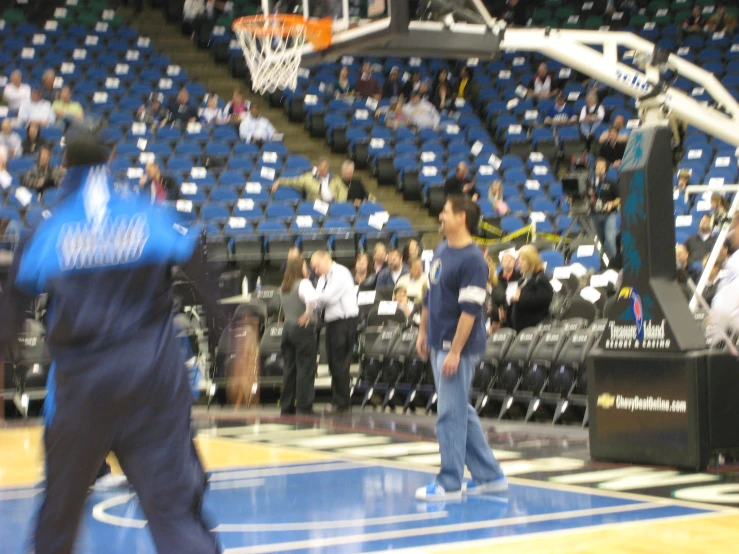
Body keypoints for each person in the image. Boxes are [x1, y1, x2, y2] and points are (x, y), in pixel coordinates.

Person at [0, 130, 224, 554]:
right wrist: (229, 328)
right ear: (112, 159)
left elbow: (10, 316)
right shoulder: (149, 214)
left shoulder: (46, 232)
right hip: (154, 383)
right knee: (175, 515)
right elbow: (199, 256)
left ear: (65, 167)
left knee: (59, 516)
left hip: (82, 393)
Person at [415, 196, 507, 501]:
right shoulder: (441, 250)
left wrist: (454, 351)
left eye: (445, 211)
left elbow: (470, 312)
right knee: (459, 411)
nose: (440, 215)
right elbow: (430, 294)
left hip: (458, 347)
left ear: (461, 218)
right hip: (437, 340)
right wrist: (423, 331)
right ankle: (491, 476)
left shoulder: (474, 260)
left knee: (449, 414)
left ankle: (450, 482)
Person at [310, 250, 359, 413]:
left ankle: (342, 403)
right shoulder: (323, 278)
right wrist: (317, 299)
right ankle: (338, 399)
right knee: (332, 362)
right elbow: (318, 299)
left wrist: (316, 298)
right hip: (331, 324)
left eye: (316, 266)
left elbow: (326, 298)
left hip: (344, 323)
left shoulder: (341, 273)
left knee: (340, 363)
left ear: (325, 260)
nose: (315, 271)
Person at [279, 257, 318, 416]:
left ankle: (286, 406)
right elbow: (312, 299)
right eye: (304, 265)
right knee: (305, 368)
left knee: (289, 369)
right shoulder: (303, 283)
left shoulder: (284, 285)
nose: (306, 268)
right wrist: (308, 313)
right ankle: (304, 406)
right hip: (301, 329)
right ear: (298, 268)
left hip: (287, 329)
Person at [509, 245, 554, 331]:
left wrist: (520, 298)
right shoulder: (522, 279)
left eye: (523, 259)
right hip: (521, 330)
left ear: (531, 261)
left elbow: (544, 300)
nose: (519, 263)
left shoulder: (540, 279)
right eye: (519, 260)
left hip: (535, 331)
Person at [272, 159, 348, 203]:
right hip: (317, 206)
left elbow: (343, 191)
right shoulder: (308, 178)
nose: (322, 170)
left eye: (324, 169)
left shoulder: (335, 179)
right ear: (317, 168)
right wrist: (280, 181)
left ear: (328, 169)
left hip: (333, 204)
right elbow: (294, 181)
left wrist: (339, 204)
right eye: (320, 168)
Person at [588, 158, 620, 260]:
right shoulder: (590, 183)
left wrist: (612, 203)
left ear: (606, 169)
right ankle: (604, 262)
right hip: (595, 215)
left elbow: (620, 198)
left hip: (609, 215)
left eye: (602, 167)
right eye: (598, 167)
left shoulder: (611, 183)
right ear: (594, 168)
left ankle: (614, 262)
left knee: (609, 240)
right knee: (600, 242)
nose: (600, 169)